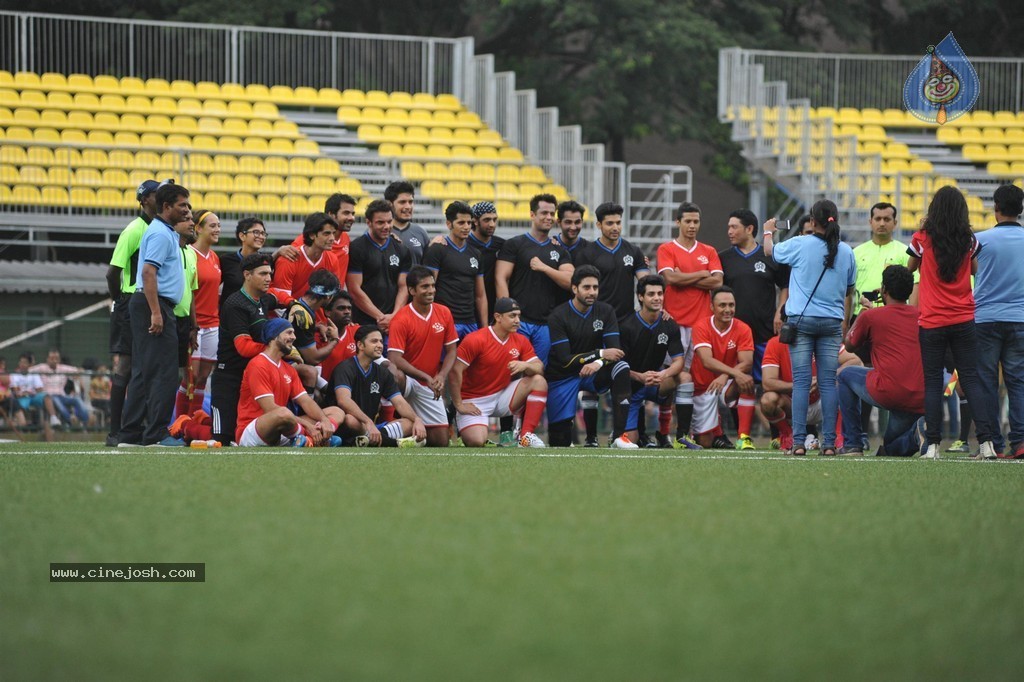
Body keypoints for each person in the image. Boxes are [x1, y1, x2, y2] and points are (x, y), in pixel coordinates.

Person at [907, 186, 999, 460]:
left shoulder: (922, 238)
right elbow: (973, 270)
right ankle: (986, 443)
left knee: (933, 382)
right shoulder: (968, 240)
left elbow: (910, 267)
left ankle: (933, 445)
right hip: (963, 318)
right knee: (971, 379)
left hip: (932, 320)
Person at [764, 199, 856, 456]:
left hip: (801, 321)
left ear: (812, 222)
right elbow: (850, 288)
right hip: (831, 322)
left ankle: (798, 443)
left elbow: (770, 252)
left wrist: (769, 230)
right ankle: (828, 444)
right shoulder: (847, 251)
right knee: (828, 383)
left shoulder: (800, 244)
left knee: (801, 382)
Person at [117, 182, 193, 447]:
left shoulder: (164, 231)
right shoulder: (161, 234)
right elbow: (149, 272)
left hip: (151, 303)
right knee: (165, 373)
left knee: (143, 371)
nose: (186, 210)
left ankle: (130, 435)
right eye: (182, 205)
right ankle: (156, 434)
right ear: (166, 206)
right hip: (155, 303)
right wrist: (156, 313)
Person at [573, 201, 650, 445]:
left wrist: (658, 303)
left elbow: (645, 283)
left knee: (626, 376)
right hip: (595, 324)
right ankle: (592, 436)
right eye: (610, 223)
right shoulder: (587, 253)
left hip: (626, 325)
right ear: (598, 225)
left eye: (618, 222)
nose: (615, 227)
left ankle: (629, 433)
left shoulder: (633, 251)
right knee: (591, 380)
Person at [545, 265, 637, 449]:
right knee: (559, 441)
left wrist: (598, 363)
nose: (592, 292)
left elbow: (615, 351)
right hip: (563, 375)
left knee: (622, 367)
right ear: (574, 289)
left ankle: (619, 437)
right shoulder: (558, 315)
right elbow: (565, 359)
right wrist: (599, 354)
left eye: (595, 287)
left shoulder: (606, 311)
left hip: (593, 373)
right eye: (586, 287)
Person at [839, 264, 925, 456]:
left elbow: (849, 344)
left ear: (883, 289)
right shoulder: (922, 316)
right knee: (890, 450)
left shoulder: (870, 316)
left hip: (890, 391)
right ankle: (916, 435)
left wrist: (863, 312)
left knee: (844, 375)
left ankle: (853, 443)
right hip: (921, 394)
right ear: (910, 290)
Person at [656, 201, 723, 447]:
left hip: (700, 326)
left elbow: (717, 283)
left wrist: (684, 278)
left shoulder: (709, 250)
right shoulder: (666, 248)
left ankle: (689, 433)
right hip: (672, 323)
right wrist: (702, 274)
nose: (692, 225)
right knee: (669, 379)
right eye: (688, 221)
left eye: (696, 221)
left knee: (695, 380)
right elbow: (669, 278)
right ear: (678, 222)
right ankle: (663, 432)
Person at [449, 297, 549, 448]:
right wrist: (459, 404)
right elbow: (455, 371)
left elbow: (539, 368)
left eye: (518, 316)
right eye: (512, 316)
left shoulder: (520, 340)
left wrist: (524, 365)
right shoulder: (476, 339)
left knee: (538, 381)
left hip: (502, 396)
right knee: (477, 441)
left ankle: (525, 435)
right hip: (474, 400)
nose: (517, 320)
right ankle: (459, 424)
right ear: (497, 317)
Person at [104, 178, 160, 445]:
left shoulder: (158, 229)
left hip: (147, 302)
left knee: (145, 367)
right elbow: (112, 272)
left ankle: (139, 429)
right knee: (126, 367)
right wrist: (119, 301)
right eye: (156, 194)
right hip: (130, 301)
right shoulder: (135, 230)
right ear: (144, 200)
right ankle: (115, 431)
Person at [235, 318, 344, 447]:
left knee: (336, 411)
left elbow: (306, 401)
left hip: (284, 429)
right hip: (253, 431)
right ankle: (313, 439)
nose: (293, 337)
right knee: (283, 413)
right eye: (289, 332)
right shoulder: (258, 364)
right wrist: (308, 425)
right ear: (274, 336)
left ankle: (310, 440)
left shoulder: (288, 369)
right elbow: (270, 409)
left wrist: (324, 421)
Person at [974, 184, 1024, 459]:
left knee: (986, 382)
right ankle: (1021, 441)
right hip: (1020, 318)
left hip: (986, 319)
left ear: (996, 208)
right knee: (1018, 382)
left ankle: (992, 443)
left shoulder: (980, 240)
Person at [495, 193, 574, 364]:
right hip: (519, 321)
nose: (549, 217)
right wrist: (508, 314)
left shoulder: (559, 250)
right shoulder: (515, 244)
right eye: (544, 213)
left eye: (552, 214)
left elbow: (570, 281)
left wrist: (545, 268)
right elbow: (501, 278)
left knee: (537, 370)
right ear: (532, 215)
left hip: (545, 324)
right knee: (510, 368)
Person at [387, 266, 459, 446]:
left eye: (433, 286)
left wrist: (441, 375)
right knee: (393, 374)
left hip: (429, 385)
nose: (431, 290)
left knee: (440, 442)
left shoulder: (444, 312)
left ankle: (408, 435)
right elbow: (395, 358)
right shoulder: (401, 319)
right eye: (425, 287)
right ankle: (385, 420)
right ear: (411, 290)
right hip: (409, 381)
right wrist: (426, 377)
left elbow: (452, 351)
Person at [211, 253, 277, 446]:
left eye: (270, 274)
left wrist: (295, 304)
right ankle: (187, 425)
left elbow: (278, 297)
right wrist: (275, 348)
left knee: (246, 438)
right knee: (222, 439)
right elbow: (244, 347)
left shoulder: (262, 299)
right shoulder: (235, 304)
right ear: (247, 275)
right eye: (263, 274)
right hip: (229, 376)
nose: (269, 279)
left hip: (252, 378)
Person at [718, 209, 789, 382]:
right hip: (733, 335)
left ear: (749, 229)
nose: (729, 232)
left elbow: (785, 285)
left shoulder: (770, 254)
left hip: (764, 333)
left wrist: (780, 310)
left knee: (766, 385)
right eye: (729, 227)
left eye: (734, 227)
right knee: (736, 386)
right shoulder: (723, 258)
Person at [619, 275, 687, 448]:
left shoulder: (669, 324)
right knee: (629, 443)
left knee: (684, 378)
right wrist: (640, 377)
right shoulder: (627, 326)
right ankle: (620, 431)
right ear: (641, 297)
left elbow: (679, 361)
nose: (657, 297)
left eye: (660, 293)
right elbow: (617, 367)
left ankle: (675, 435)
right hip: (631, 387)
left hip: (654, 383)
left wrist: (664, 374)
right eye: (651, 294)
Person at [333, 325, 426, 447]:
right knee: (350, 419)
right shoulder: (345, 368)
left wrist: (417, 420)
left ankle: (367, 440)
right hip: (350, 423)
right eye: (374, 341)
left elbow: (399, 402)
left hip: (368, 427)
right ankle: (394, 443)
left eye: (381, 341)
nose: (380, 345)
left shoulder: (382, 372)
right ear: (360, 345)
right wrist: (368, 422)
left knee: (409, 423)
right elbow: (343, 401)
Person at [689, 287, 756, 449]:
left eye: (731, 305)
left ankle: (744, 437)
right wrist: (731, 372)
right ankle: (716, 431)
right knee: (705, 443)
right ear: (712, 307)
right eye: (722, 305)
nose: (728, 310)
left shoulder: (743, 328)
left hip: (725, 383)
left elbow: (747, 362)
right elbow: (707, 361)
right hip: (703, 387)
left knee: (746, 381)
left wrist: (725, 376)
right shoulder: (701, 326)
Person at [174, 209, 220, 418]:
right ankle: (180, 424)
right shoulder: (188, 253)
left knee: (203, 377)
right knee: (190, 377)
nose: (217, 229)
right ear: (199, 228)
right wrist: (192, 325)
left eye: (218, 225)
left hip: (213, 324)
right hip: (195, 324)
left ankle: (193, 423)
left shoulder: (215, 257)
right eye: (212, 225)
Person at [423, 201, 487, 337]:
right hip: (445, 320)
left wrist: (485, 328)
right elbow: (428, 289)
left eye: (469, 223)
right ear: (449, 224)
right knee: (444, 359)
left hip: (470, 322)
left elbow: (480, 295)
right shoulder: (437, 249)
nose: (466, 227)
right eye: (461, 223)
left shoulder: (476, 254)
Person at [347, 198, 411, 333]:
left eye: (389, 221)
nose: (386, 226)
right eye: (380, 222)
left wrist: (394, 316)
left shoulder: (402, 249)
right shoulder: (357, 248)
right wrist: (380, 317)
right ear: (368, 222)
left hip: (393, 322)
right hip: (364, 323)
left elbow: (403, 286)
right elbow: (354, 289)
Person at [275, 193, 357, 291]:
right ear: (331, 215)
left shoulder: (345, 238)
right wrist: (278, 252)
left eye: (353, 214)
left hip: (331, 298)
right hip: (302, 301)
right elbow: (289, 265)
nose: (351, 218)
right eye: (346, 213)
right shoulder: (303, 242)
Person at [853, 202, 917, 318]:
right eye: (878, 219)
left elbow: (915, 287)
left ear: (895, 223)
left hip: (894, 317)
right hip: (860, 314)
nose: (882, 223)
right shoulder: (856, 253)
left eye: (886, 219)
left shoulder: (906, 253)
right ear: (870, 222)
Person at [271, 212, 339, 300]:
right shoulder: (288, 258)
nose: (332, 238)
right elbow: (280, 300)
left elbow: (333, 295)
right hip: (284, 312)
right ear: (312, 235)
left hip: (311, 312)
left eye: (333, 233)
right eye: (326, 234)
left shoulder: (333, 259)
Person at [286, 269, 342, 372]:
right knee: (312, 373)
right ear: (328, 296)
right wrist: (335, 340)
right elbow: (312, 358)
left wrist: (317, 327)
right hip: (286, 364)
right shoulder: (303, 316)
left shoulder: (301, 304)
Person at [29, 349, 90, 428]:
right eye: (52, 358)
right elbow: (28, 371)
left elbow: (77, 371)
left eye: (56, 359)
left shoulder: (63, 368)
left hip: (62, 395)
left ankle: (85, 421)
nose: (54, 361)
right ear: (47, 359)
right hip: (49, 397)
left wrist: (78, 373)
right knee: (56, 399)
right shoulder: (42, 367)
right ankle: (70, 419)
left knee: (76, 399)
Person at [467, 201, 506, 319]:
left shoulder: (503, 245)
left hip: (494, 308)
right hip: (468, 308)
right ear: (475, 220)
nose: (492, 224)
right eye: (487, 220)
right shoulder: (464, 244)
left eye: (494, 219)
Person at [220, 217, 268, 304]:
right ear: (242, 236)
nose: (261, 237)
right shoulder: (226, 261)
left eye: (263, 233)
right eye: (256, 232)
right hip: (230, 315)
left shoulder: (266, 262)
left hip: (256, 315)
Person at [319, 291, 360, 388]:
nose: (347, 312)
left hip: (353, 388)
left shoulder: (358, 332)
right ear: (328, 312)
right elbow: (315, 375)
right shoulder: (319, 336)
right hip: (326, 389)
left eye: (349, 308)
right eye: (341, 308)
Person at [385, 180, 430, 264]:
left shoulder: (421, 233)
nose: (408, 206)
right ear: (389, 204)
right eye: (402, 202)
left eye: (410, 202)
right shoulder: (379, 232)